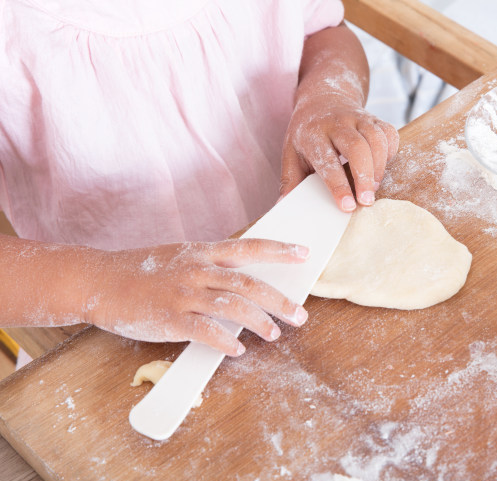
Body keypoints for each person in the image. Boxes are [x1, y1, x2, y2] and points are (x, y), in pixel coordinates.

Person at [0, 0, 399, 357]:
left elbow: (323, 31)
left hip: (296, 269)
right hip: (112, 343)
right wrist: (101, 287)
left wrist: (326, 95)